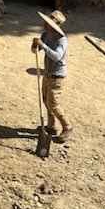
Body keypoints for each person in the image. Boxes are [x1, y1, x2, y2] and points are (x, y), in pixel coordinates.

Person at [32, 9, 71, 142]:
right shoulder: (45, 35)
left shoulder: (62, 40)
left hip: (57, 76)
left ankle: (67, 126)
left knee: (53, 103)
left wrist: (42, 45)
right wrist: (35, 46)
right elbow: (34, 50)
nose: (44, 24)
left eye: (47, 23)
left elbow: (57, 56)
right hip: (47, 74)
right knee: (46, 100)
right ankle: (51, 126)